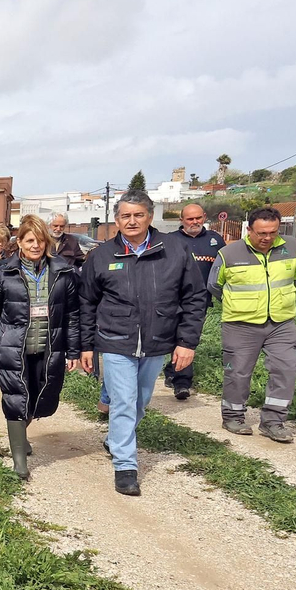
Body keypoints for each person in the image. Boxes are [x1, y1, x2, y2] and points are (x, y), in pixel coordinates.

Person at [80, 190, 208, 496]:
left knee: (140, 400)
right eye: (126, 215)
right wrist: (86, 346)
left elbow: (194, 297)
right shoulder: (101, 256)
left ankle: (114, 440)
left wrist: (187, 342)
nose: (132, 221)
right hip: (114, 339)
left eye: (138, 215)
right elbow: (86, 304)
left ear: (150, 216)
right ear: (117, 220)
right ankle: (125, 465)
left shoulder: (174, 250)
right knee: (123, 400)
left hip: (157, 339)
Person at [0, 215, 83, 479]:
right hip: (12, 348)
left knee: (37, 398)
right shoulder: (3, 274)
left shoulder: (64, 273)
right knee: (15, 400)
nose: (36, 245)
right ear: (19, 242)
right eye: (30, 240)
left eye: (40, 240)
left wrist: (73, 351)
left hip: (48, 348)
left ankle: (21, 436)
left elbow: (72, 316)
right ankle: (19, 463)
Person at [209, 207, 296, 442]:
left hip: (281, 322)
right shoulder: (228, 254)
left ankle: (273, 421)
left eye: (272, 232)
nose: (267, 237)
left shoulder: (294, 247)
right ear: (249, 229)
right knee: (238, 372)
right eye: (261, 232)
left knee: (286, 369)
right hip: (240, 324)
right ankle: (233, 416)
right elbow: (214, 285)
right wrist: (241, 303)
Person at [161, 203, 226, 399]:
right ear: (182, 220)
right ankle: (173, 370)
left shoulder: (215, 240)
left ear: (204, 216)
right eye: (190, 219)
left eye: (198, 218)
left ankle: (182, 382)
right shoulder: (170, 240)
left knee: (187, 338)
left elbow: (224, 269)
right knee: (174, 338)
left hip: (199, 300)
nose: (195, 222)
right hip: (172, 299)